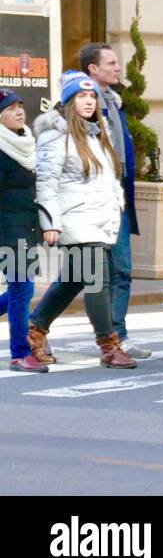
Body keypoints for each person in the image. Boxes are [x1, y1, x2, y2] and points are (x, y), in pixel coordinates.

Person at [27, 73, 135, 369]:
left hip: (101, 219)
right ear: (68, 101)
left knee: (73, 280)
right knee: (98, 280)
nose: (88, 101)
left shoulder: (99, 133)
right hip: (75, 220)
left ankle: (34, 330)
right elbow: (47, 183)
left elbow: (110, 179)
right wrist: (50, 223)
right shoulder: (54, 135)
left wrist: (116, 209)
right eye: (81, 97)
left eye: (92, 97)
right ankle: (109, 345)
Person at [79, 43, 147, 359]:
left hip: (117, 198)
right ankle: (39, 325)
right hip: (93, 202)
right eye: (111, 62)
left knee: (122, 269)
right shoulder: (83, 106)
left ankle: (117, 334)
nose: (118, 67)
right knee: (85, 274)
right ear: (93, 69)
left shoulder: (114, 103)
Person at [0, 89, 48, 372]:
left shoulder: (27, 142)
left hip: (28, 225)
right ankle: (19, 352)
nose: (19, 111)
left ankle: (20, 351)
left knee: (21, 290)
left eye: (20, 106)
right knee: (22, 289)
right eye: (10, 108)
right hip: (8, 228)